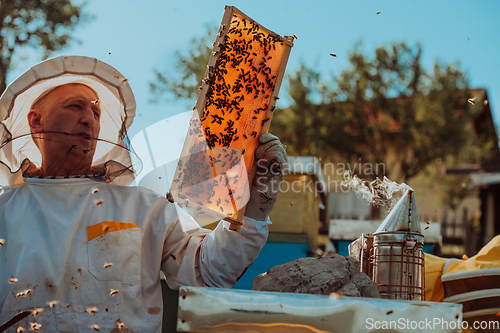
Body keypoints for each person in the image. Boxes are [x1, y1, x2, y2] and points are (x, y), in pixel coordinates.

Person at [0, 56, 287, 332]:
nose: (89, 119)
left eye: (96, 112)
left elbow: (208, 271)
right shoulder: (4, 211)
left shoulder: (143, 207)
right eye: (75, 106)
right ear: (35, 121)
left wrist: (254, 210)